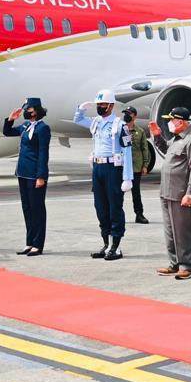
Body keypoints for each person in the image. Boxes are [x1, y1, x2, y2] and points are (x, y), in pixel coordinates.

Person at [74, 89, 133, 261]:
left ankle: (116, 246)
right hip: (98, 168)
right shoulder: (96, 123)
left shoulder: (120, 126)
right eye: (98, 105)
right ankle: (106, 243)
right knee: (100, 207)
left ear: (111, 105)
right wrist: (81, 109)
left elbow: (127, 151)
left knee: (115, 207)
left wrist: (128, 177)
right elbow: (78, 120)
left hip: (113, 169)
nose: (100, 107)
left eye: (103, 105)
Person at [149, 107, 191, 280]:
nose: (170, 123)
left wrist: (190, 193)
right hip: (167, 191)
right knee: (170, 231)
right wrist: (157, 136)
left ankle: (186, 265)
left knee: (182, 231)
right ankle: (174, 263)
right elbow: (167, 151)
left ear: (181, 121)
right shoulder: (177, 138)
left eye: (172, 120)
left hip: (180, 193)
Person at [3, 97, 51, 256]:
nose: (25, 111)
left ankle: (38, 244)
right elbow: (7, 132)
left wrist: (41, 176)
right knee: (27, 209)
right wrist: (10, 119)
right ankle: (29, 242)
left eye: (28, 109)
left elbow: (44, 153)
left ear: (35, 110)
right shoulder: (25, 126)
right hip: (22, 173)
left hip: (35, 174)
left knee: (37, 209)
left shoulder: (43, 128)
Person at [123, 105, 152, 223]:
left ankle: (139, 214)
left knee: (136, 192)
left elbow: (145, 148)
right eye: (125, 113)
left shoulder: (140, 131)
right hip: (122, 166)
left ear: (134, 116)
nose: (126, 115)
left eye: (129, 113)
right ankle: (117, 215)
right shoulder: (120, 129)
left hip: (136, 167)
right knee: (118, 192)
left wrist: (145, 165)